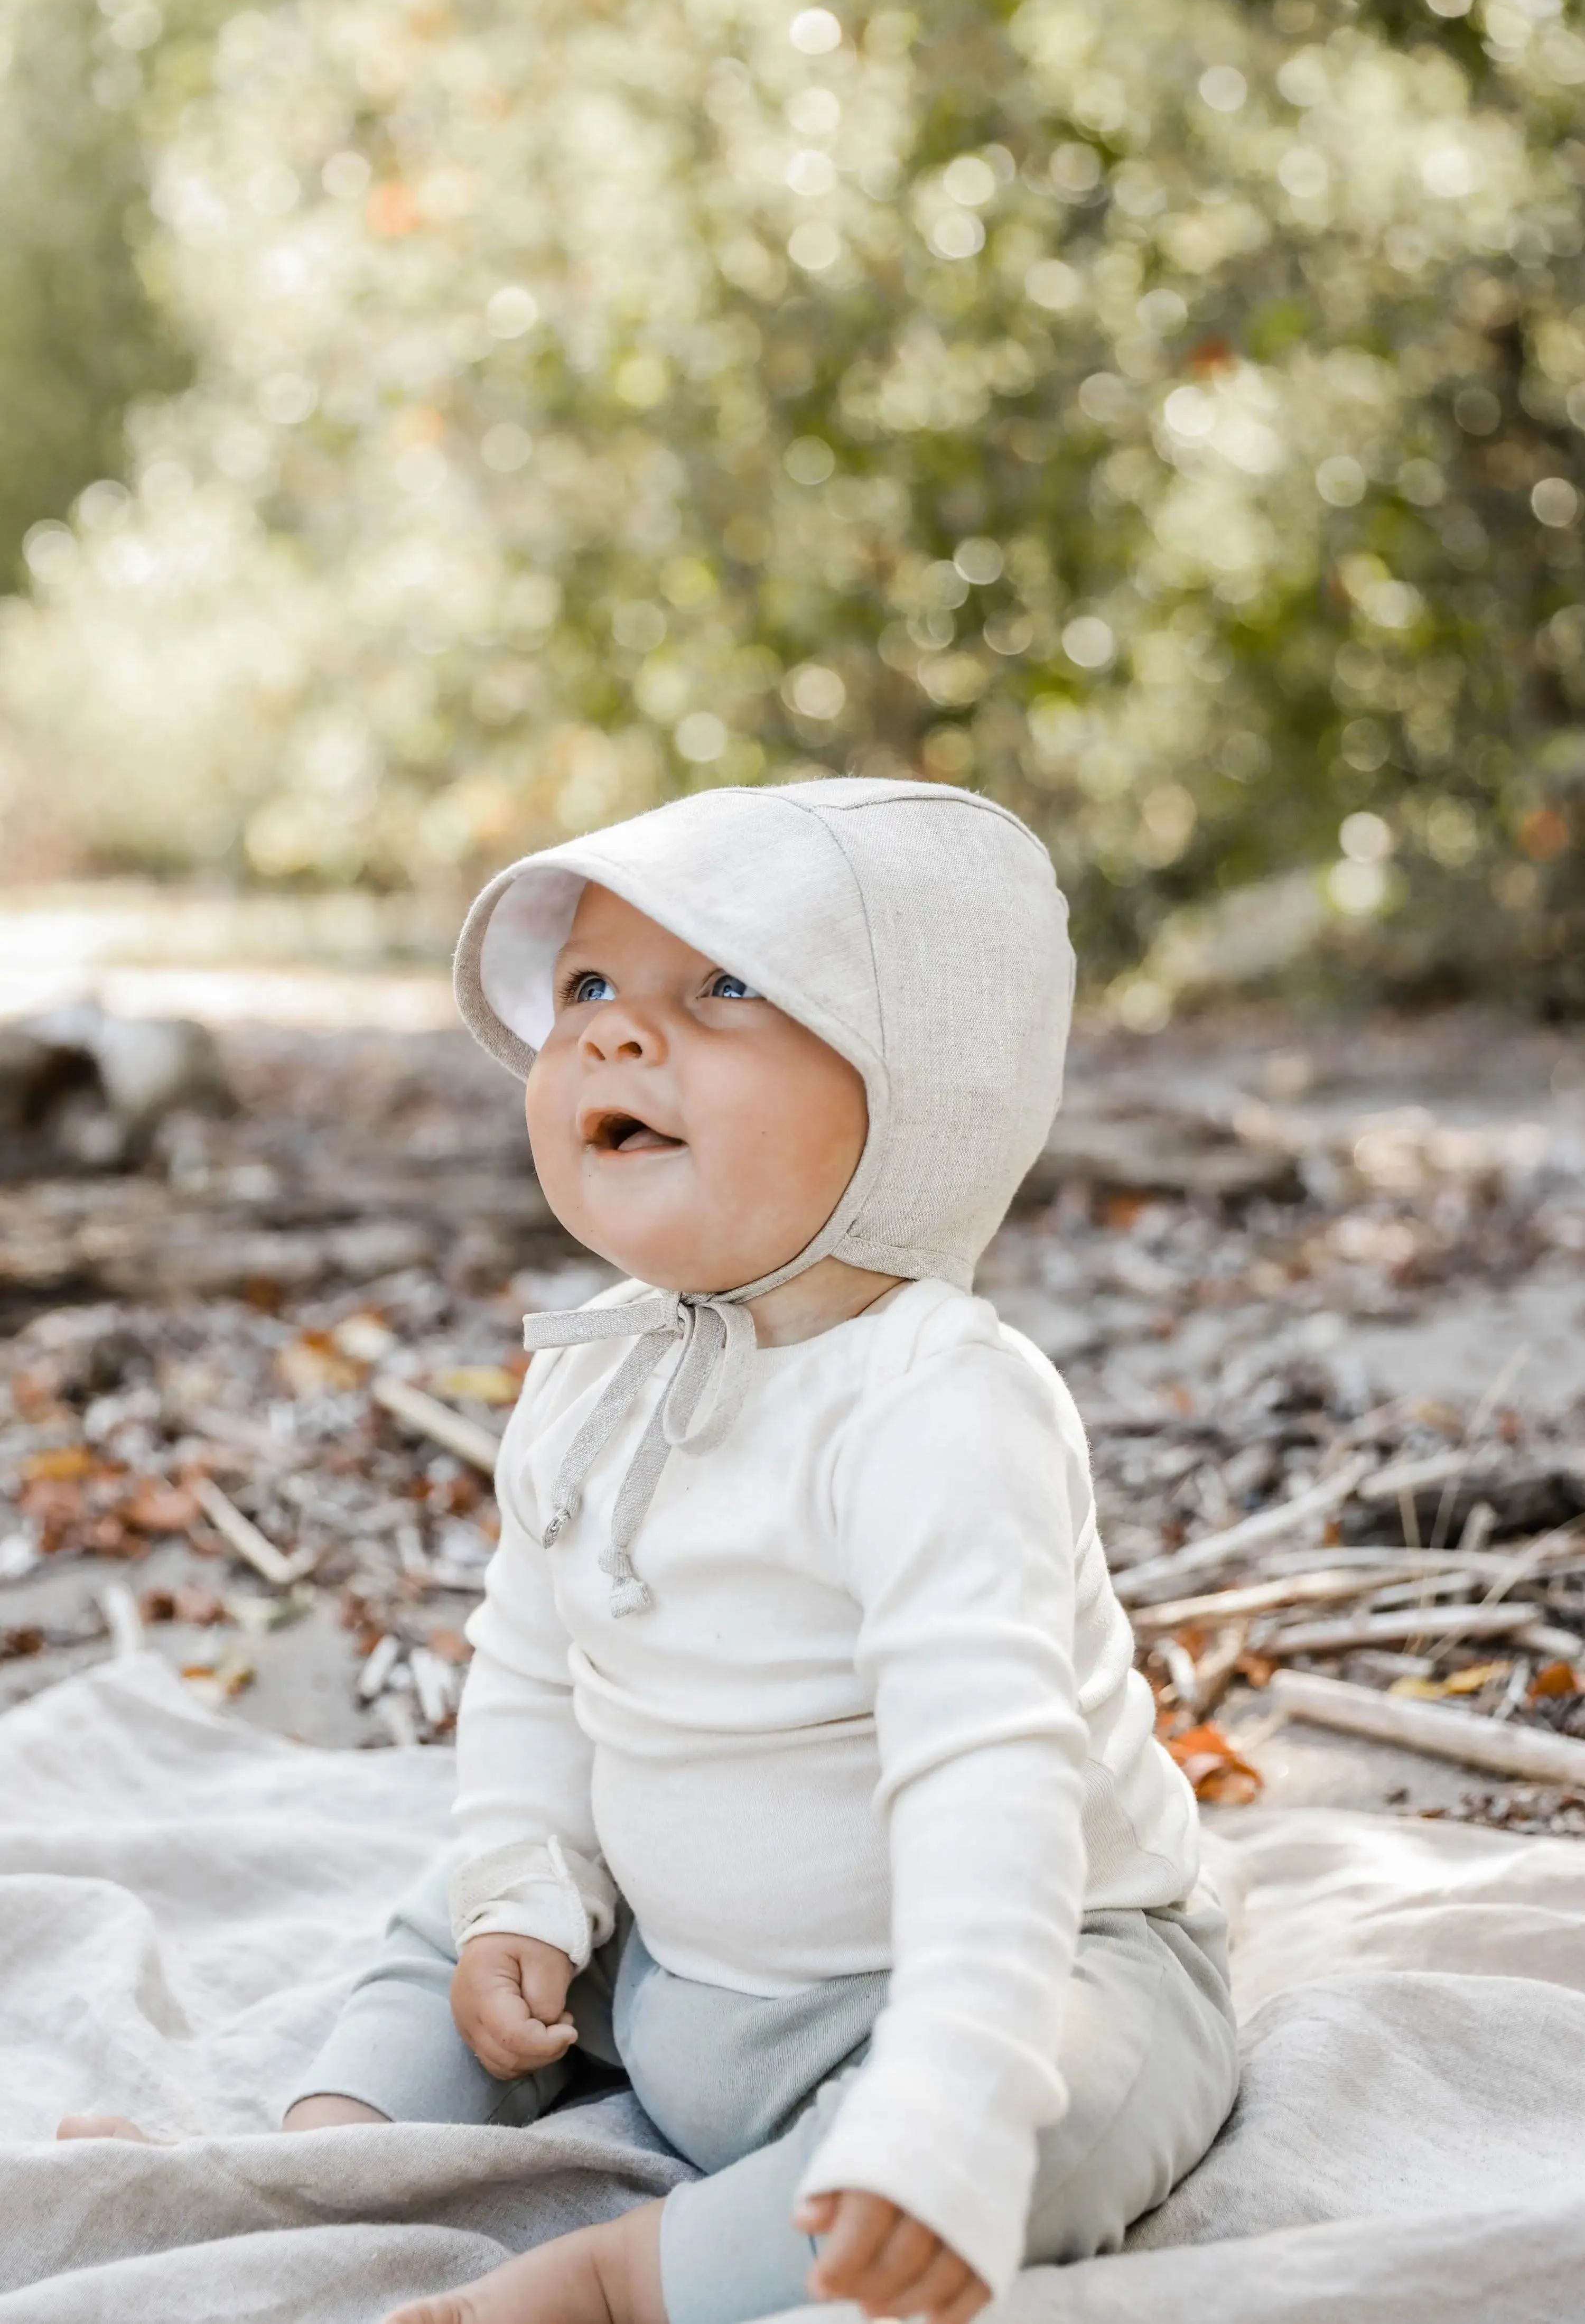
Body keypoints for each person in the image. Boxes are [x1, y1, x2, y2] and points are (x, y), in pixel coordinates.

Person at [62, 778, 1238, 2324]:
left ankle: (632, 2278)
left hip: (991, 1969)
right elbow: (539, 1670)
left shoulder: (938, 1400)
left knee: (1043, 2132)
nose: (614, 1033)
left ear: (919, 1090)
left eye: (729, 988)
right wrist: (523, 1903)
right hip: (671, 1968)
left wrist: (948, 2093)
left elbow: (988, 1786)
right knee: (454, 1919)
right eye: (589, 989)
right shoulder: (595, 1361)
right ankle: (319, 2166)